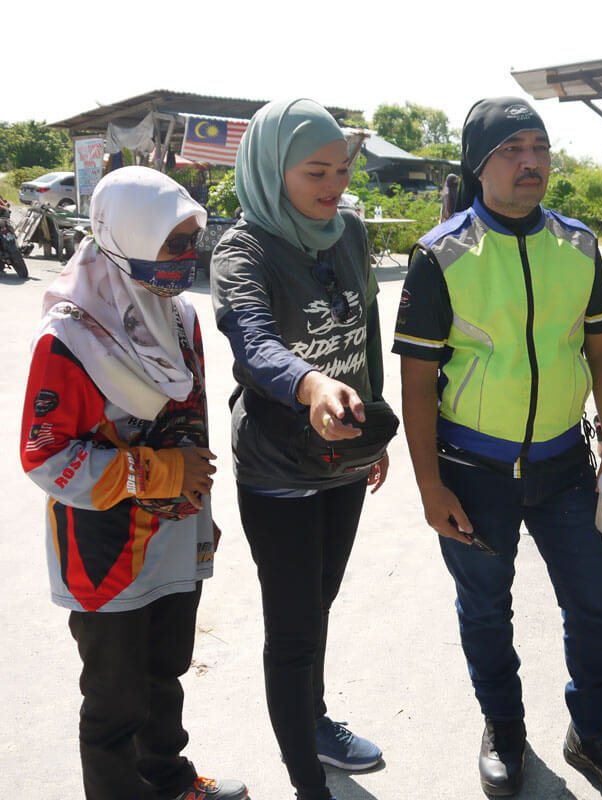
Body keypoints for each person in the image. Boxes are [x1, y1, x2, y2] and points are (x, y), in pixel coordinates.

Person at [394, 96, 602, 800]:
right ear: (478, 165)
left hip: (564, 466)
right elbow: (416, 384)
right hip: (472, 471)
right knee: (484, 608)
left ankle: (593, 732)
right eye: (512, 149)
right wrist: (430, 487)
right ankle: (503, 727)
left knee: (595, 604)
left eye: (539, 147)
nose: (531, 161)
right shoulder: (441, 255)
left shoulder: (577, 246)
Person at [19, 166, 247, 800]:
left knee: (164, 674)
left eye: (190, 241)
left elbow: (190, 421)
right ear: (129, 235)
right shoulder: (69, 336)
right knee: (114, 700)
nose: (186, 257)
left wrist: (198, 509)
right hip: (105, 550)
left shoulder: (180, 318)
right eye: (172, 243)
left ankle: (169, 781)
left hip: (172, 534)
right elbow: (44, 456)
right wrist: (160, 473)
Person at [210, 98, 390, 800]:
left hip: (343, 454)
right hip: (278, 464)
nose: (334, 186)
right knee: (292, 628)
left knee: (319, 603)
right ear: (270, 169)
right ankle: (307, 783)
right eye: (316, 172)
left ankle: (312, 721)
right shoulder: (243, 250)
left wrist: (372, 425)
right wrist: (311, 385)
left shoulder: (350, 232)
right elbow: (254, 344)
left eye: (342, 170)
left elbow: (366, 328)